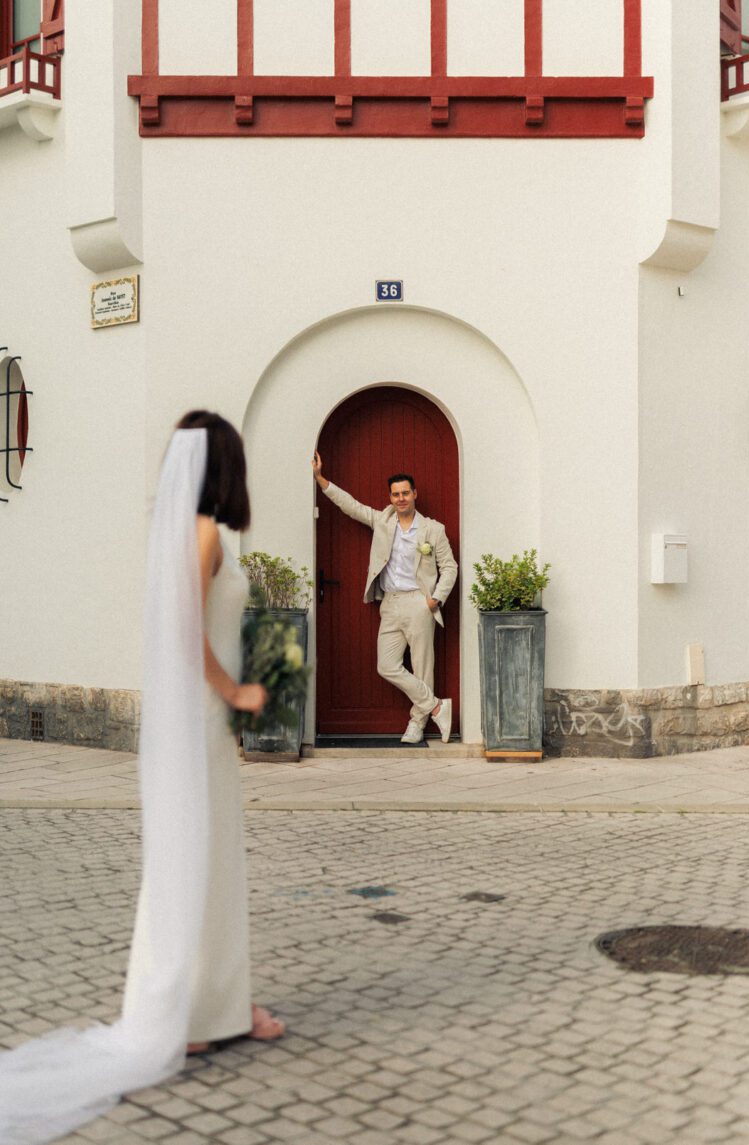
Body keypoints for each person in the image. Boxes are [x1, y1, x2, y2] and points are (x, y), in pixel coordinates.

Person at [0, 411, 283, 1145]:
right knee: (201, 858)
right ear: (227, 463)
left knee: (207, 858)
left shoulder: (186, 533)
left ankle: (215, 1008)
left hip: (199, 726)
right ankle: (192, 1012)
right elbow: (187, 634)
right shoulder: (206, 535)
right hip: (201, 716)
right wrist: (239, 692)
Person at [312, 451, 458, 744]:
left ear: (414, 494)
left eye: (405, 493)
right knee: (386, 665)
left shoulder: (433, 529)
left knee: (422, 665)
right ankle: (437, 706)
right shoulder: (383, 522)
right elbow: (351, 507)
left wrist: (435, 599)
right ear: (390, 498)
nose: (401, 498)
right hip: (390, 603)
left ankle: (417, 724)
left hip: (420, 601)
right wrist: (320, 479)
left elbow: (450, 567)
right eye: (395, 494)